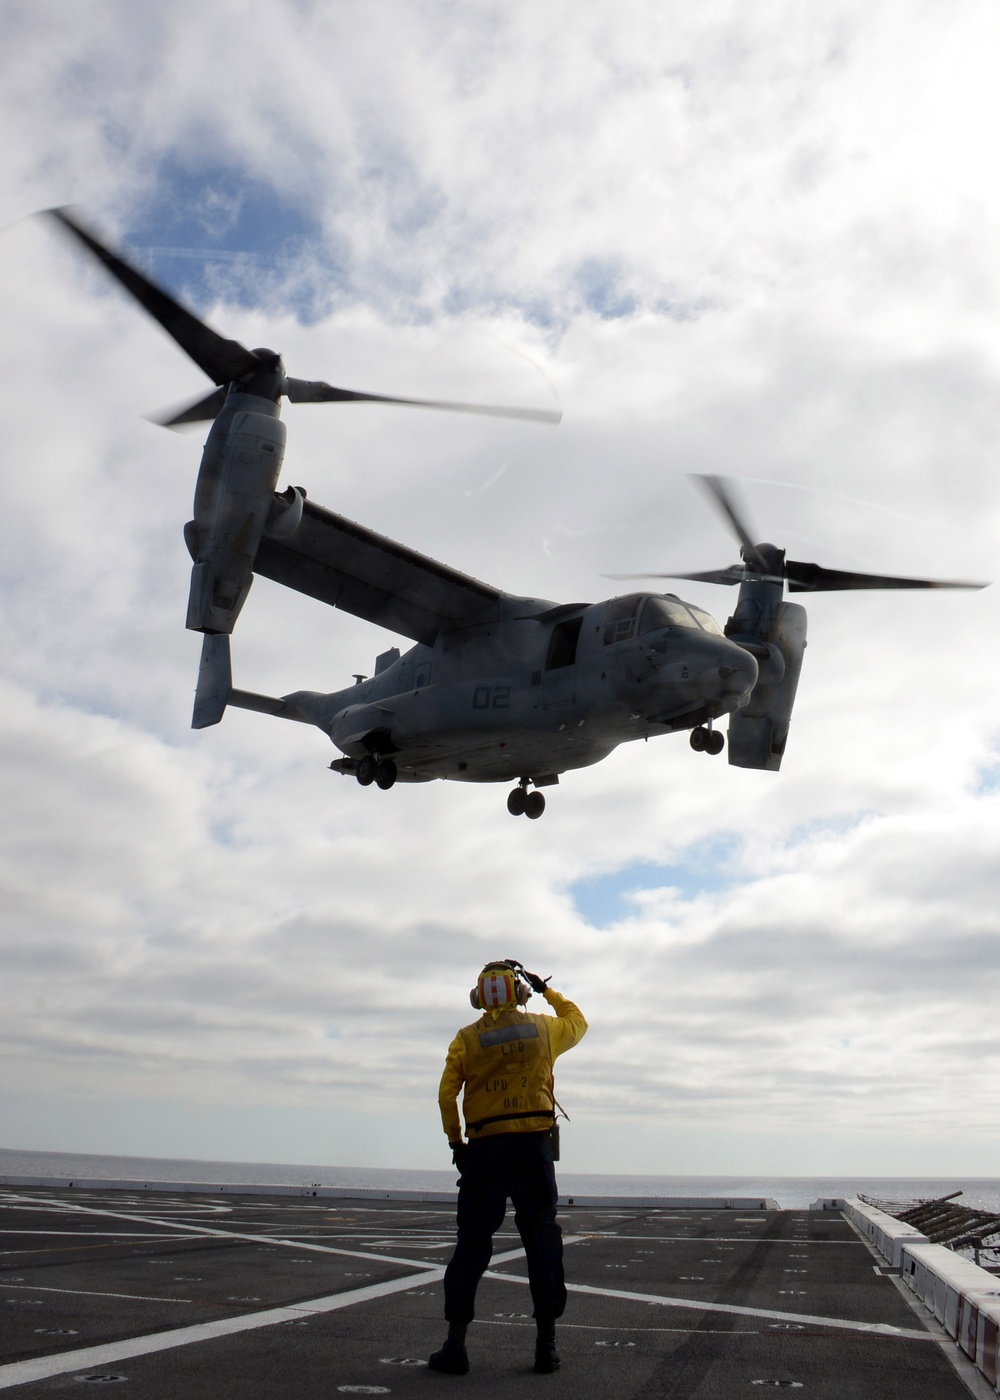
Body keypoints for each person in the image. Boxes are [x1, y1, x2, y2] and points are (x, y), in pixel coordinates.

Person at [429, 958, 587, 1376]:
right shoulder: (543, 1028)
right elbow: (577, 1021)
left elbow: (447, 1097)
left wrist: (456, 1141)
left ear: (479, 998)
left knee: (472, 1245)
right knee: (542, 1242)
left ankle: (456, 1347)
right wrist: (547, 991)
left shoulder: (467, 1038)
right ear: (519, 993)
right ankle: (546, 1347)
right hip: (534, 1148)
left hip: (485, 1150)